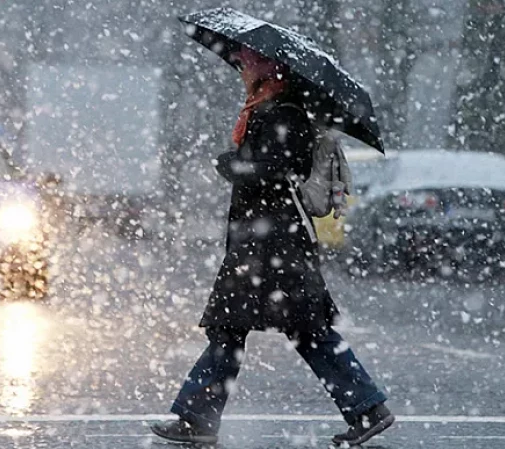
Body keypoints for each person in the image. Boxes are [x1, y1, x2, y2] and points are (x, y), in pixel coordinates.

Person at [150, 46, 394, 447]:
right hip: (265, 242)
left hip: (275, 244)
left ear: (270, 67)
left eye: (249, 61)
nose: (243, 66)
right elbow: (271, 167)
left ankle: (367, 408)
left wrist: (236, 165)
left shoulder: (284, 112)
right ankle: (365, 407)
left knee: (277, 329)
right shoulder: (269, 108)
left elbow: (283, 170)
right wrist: (241, 163)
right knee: (253, 330)